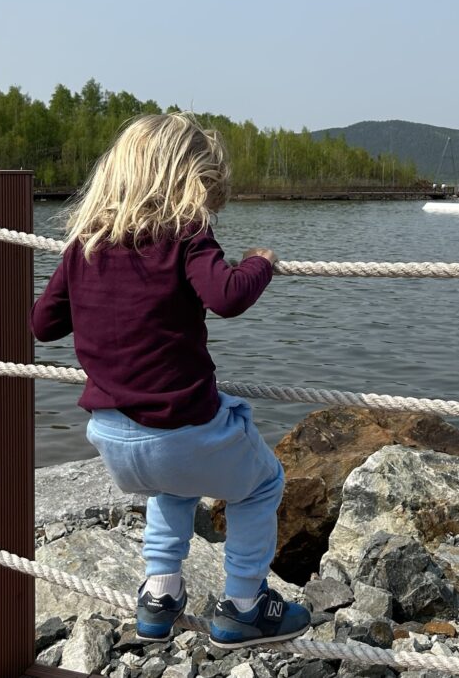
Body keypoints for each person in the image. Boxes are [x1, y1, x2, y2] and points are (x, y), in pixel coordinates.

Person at [31, 113, 310, 647]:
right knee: (263, 484)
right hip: (180, 428)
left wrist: (98, 299)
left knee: (170, 486)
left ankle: (159, 597)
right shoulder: (186, 235)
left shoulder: (86, 243)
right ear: (189, 181)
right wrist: (259, 262)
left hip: (113, 440)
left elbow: (43, 325)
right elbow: (227, 296)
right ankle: (246, 605)